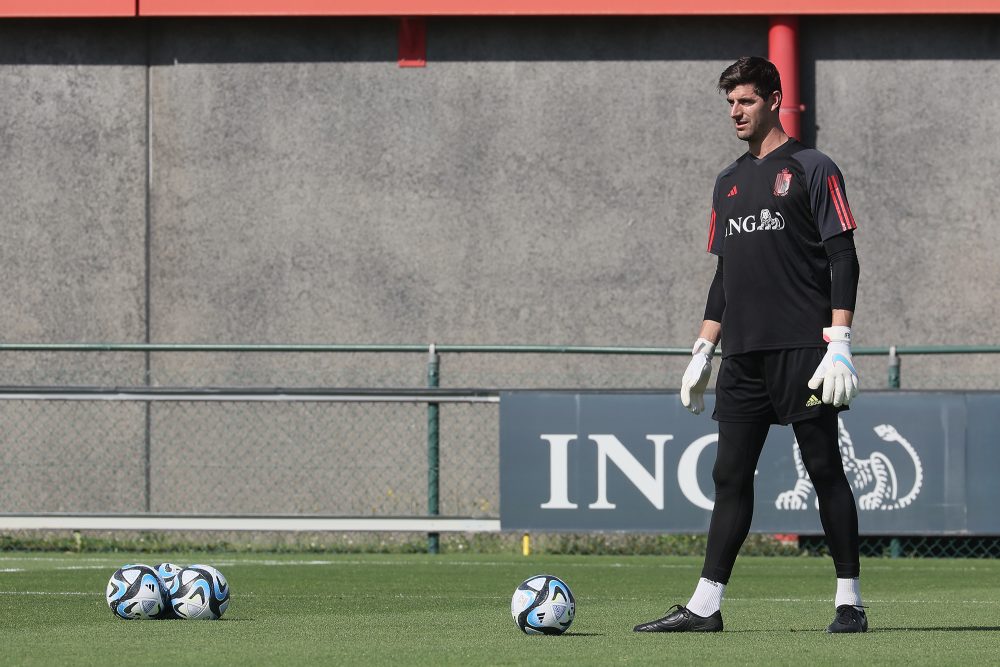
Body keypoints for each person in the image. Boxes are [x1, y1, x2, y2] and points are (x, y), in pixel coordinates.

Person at [634, 56, 866, 634]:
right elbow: (724, 277)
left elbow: (844, 256)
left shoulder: (814, 168)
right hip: (742, 357)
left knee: (824, 470)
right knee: (729, 475)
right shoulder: (727, 182)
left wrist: (839, 340)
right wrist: (702, 350)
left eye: (746, 101)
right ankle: (706, 606)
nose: (735, 112)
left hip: (805, 355)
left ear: (774, 99)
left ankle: (850, 601)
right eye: (730, 103)